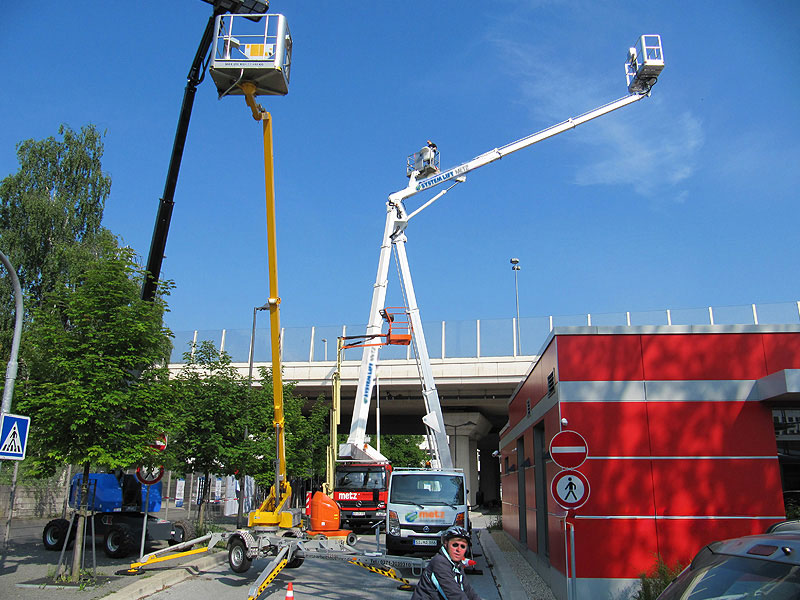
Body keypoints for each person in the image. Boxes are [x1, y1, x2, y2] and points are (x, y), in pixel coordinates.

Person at [410, 526, 482, 600]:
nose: (458, 549)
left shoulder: (457, 564)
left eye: (462, 546)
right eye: (455, 545)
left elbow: (468, 591)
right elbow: (454, 594)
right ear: (445, 543)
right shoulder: (439, 562)